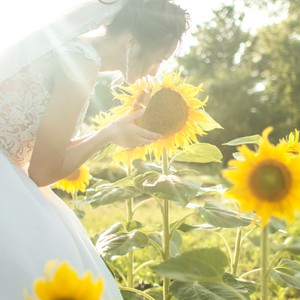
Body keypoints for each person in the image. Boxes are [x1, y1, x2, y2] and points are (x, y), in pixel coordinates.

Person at [0, 0, 189, 299]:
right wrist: (108, 134)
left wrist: (112, 130)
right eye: (159, 58)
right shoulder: (82, 62)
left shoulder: (70, 49)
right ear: (132, 41)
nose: (156, 70)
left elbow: (43, 151)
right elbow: (42, 172)